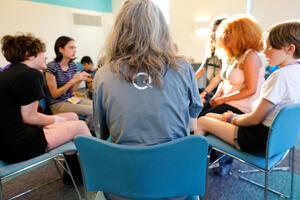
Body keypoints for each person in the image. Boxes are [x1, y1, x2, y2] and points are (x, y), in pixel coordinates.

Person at [93, 0, 202, 199]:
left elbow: (103, 133)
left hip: (122, 191)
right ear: (162, 31)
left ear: (119, 31)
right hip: (176, 189)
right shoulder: (184, 69)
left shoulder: (103, 75)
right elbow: (192, 126)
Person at [195, 20, 300, 157]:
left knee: (202, 121)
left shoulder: (280, 76)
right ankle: (208, 160)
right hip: (280, 140)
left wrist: (233, 118)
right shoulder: (295, 71)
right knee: (209, 115)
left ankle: (193, 166)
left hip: (259, 139)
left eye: (270, 47)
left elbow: (255, 119)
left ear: (289, 49)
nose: (264, 51)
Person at [0, 33, 92, 183]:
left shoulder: (8, 73)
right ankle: (100, 171)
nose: (45, 56)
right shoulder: (30, 74)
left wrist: (60, 120)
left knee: (73, 117)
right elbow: (29, 117)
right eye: (42, 52)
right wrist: (57, 119)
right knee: (80, 125)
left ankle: (73, 175)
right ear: (29, 54)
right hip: (18, 145)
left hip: (5, 145)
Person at [198, 15, 267, 176]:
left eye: (230, 32)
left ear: (242, 34)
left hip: (243, 106)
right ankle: (206, 156)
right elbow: (224, 80)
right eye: (225, 31)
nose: (224, 35)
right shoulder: (232, 55)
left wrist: (222, 99)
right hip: (228, 100)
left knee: (205, 118)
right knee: (197, 112)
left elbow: (250, 89)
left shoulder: (251, 56)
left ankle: (219, 159)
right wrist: (215, 96)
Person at [45, 36, 94, 132]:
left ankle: (98, 134)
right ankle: (88, 138)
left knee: (96, 105)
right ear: (61, 49)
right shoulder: (52, 67)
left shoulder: (72, 66)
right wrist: (73, 80)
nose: (74, 51)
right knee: (92, 111)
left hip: (70, 98)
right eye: (71, 48)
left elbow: (71, 91)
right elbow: (54, 94)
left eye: (75, 48)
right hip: (57, 103)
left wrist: (79, 80)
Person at [195, 17, 226, 102]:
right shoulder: (211, 49)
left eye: (216, 30)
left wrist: (204, 93)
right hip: (208, 90)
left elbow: (218, 78)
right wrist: (187, 83)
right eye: (213, 30)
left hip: (218, 93)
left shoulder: (227, 53)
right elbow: (201, 70)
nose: (213, 33)